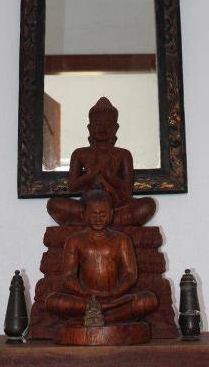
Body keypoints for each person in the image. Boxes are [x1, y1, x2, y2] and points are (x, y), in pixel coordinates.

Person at [46, 189, 158, 323]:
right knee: (52, 301)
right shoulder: (74, 240)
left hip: (116, 299)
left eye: (102, 214)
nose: (98, 218)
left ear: (111, 214)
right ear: (83, 215)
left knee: (148, 300)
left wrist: (115, 293)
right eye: (93, 214)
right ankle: (108, 316)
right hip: (85, 299)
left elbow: (130, 274)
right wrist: (85, 293)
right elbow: (68, 276)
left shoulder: (122, 240)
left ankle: (96, 317)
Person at [47, 97, 156, 226]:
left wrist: (109, 176)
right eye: (98, 124)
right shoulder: (80, 153)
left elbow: (127, 190)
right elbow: (72, 187)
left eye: (108, 125)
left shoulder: (123, 154)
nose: (103, 129)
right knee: (53, 204)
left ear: (115, 128)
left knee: (148, 205)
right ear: (90, 128)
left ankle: (95, 222)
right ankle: (102, 221)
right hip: (87, 206)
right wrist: (91, 174)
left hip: (116, 206)